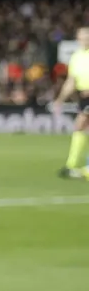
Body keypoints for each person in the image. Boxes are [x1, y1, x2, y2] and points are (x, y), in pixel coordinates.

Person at [52, 27, 89, 178]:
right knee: (80, 126)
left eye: (87, 36)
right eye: (82, 37)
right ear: (77, 39)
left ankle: (73, 164)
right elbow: (71, 81)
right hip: (83, 96)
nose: (85, 39)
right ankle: (73, 165)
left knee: (80, 123)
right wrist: (60, 99)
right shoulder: (76, 57)